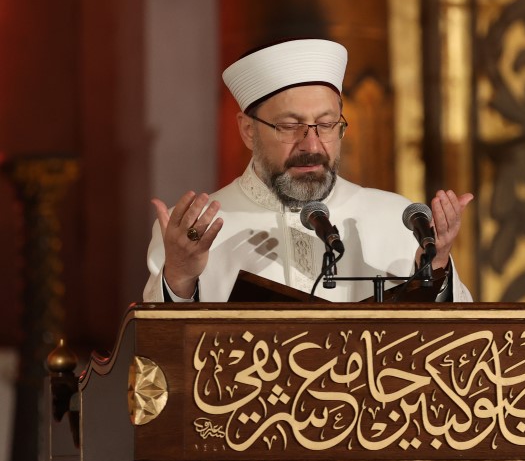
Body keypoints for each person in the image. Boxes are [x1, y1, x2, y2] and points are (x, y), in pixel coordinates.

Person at [143, 39, 473, 303]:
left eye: (326, 125)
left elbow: (449, 346)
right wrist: (180, 276)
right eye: (290, 126)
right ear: (248, 130)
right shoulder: (190, 234)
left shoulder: (398, 220)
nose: (312, 145)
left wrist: (436, 267)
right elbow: (159, 354)